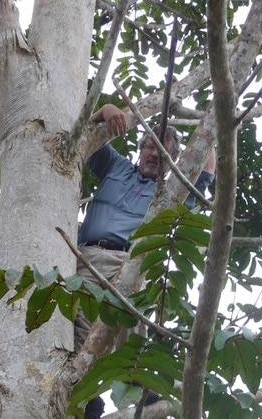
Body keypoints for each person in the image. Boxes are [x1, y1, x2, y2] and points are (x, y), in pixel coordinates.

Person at [77, 104, 215, 418]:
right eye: (150, 146)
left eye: (163, 151)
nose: (154, 154)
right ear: (141, 149)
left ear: (173, 159)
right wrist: (107, 110)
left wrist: (209, 125)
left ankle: (138, 387)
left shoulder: (174, 190)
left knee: (129, 322)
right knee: (79, 332)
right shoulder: (117, 166)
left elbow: (206, 169)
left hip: (131, 260)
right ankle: (86, 398)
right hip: (87, 257)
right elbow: (85, 137)